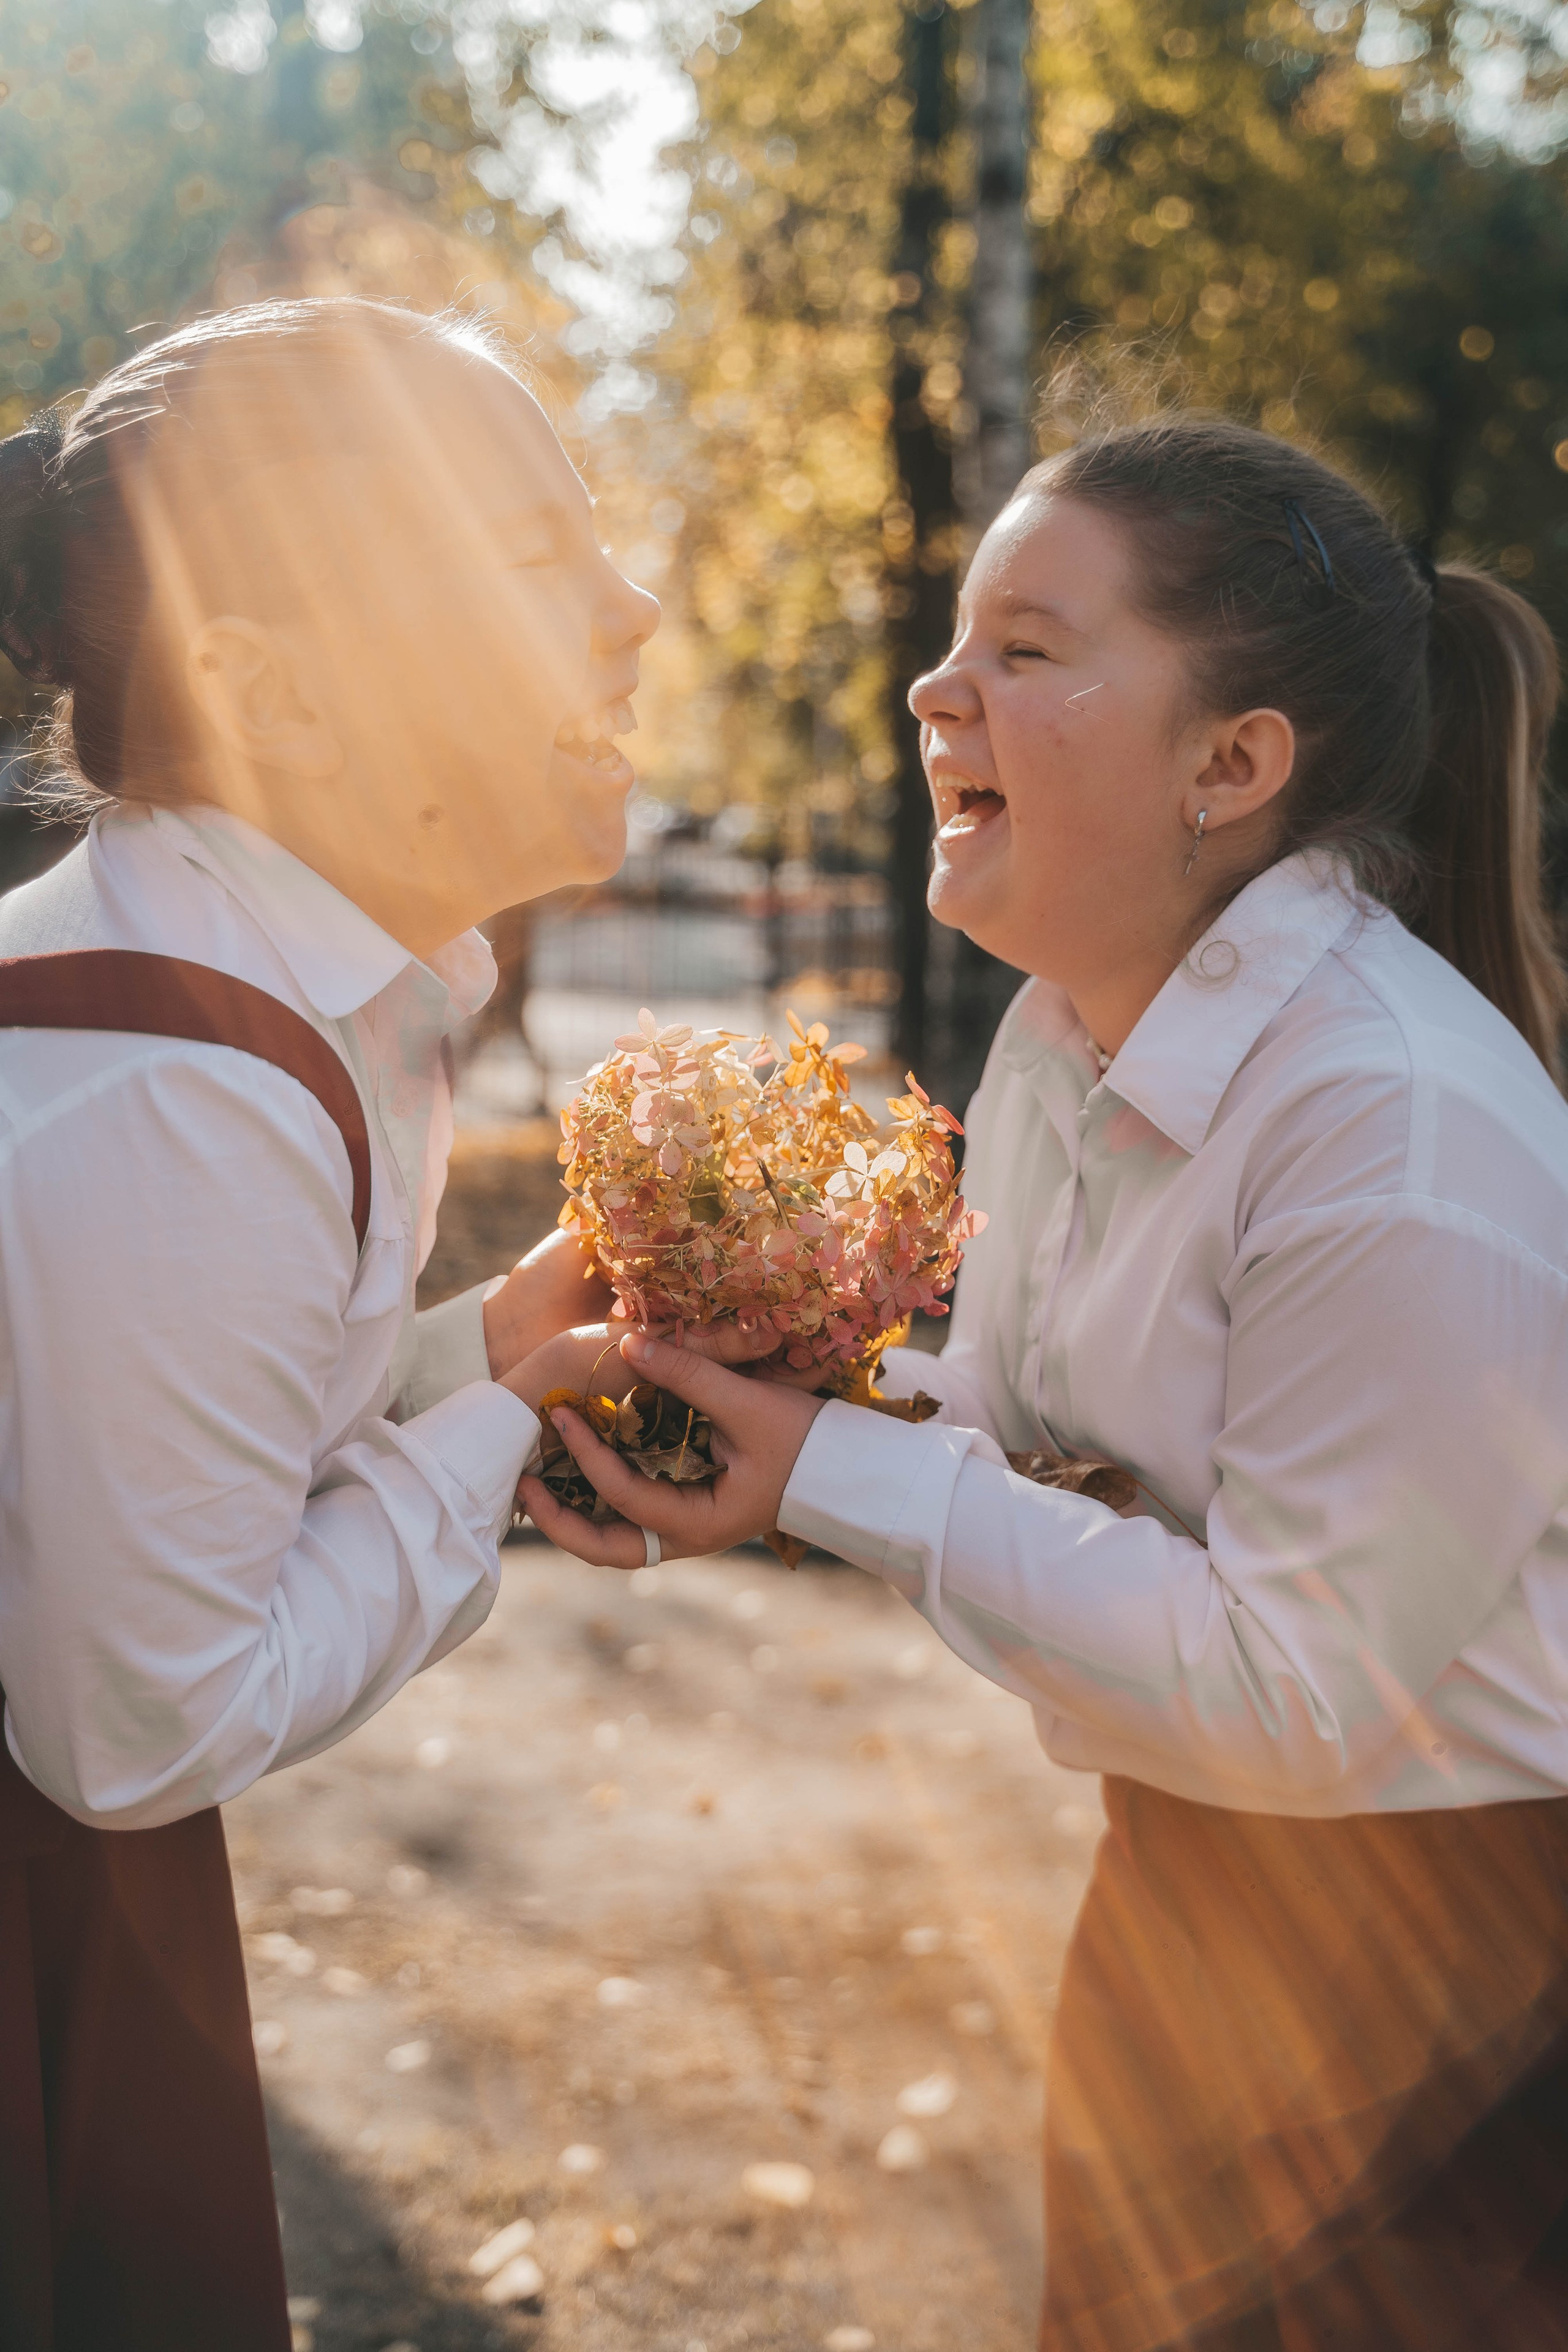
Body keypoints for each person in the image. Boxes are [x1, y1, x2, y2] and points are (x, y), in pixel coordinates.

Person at [529, 410, 1568, 2348]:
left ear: (1233, 765)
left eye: (1023, 647)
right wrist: (731, 1398)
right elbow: (1015, 1441)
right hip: (1188, 1912)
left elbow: (1303, 1693)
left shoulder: (1393, 1132)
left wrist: (832, 1474)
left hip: (1458, 2008)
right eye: (955, 635)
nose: (933, 686)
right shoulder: (1060, 1039)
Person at [0, 296, 771, 2351]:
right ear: (275, 696)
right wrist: (491, 1440)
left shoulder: (246, 992)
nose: (635, 606)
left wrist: (474, 1351)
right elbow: (138, 1727)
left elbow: (182, 1449)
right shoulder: (191, 1084)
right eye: (536, 560)